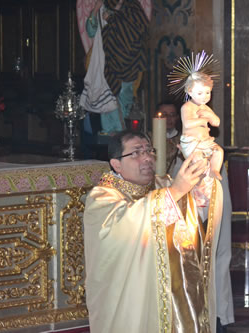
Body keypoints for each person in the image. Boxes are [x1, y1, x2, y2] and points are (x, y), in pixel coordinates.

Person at [84, 130, 224, 332]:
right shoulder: (102, 198)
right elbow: (123, 232)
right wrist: (176, 191)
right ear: (116, 164)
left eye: (149, 151)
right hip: (132, 300)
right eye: (136, 153)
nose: (147, 158)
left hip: (173, 297)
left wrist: (208, 174)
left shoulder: (162, 184)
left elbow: (198, 211)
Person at [159, 102, 235, 331]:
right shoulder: (171, 144)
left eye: (174, 115)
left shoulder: (209, 149)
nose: (171, 119)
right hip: (182, 216)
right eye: (168, 116)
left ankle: (218, 315)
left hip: (207, 204)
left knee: (215, 256)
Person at [82, 0, 148, 133]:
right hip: (105, 62)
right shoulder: (104, 6)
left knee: (122, 105)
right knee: (106, 105)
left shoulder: (131, 5)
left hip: (125, 64)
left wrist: (113, 17)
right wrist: (96, 10)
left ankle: (122, 139)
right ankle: (110, 141)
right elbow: (90, 31)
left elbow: (137, 31)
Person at [180, 72, 224, 181]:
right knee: (199, 159)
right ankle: (199, 176)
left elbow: (217, 122)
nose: (204, 97)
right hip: (192, 142)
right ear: (190, 92)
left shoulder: (205, 108)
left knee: (218, 151)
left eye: (208, 92)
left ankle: (214, 170)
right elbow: (187, 124)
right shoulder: (187, 107)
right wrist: (202, 120)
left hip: (205, 141)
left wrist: (210, 115)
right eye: (200, 93)